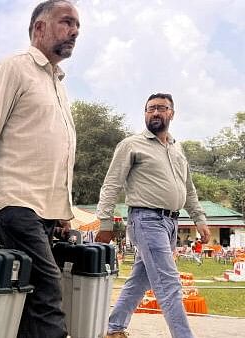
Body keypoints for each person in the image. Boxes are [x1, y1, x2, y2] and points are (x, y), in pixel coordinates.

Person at [0, 1, 80, 337]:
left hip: (44, 210)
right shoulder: (12, 69)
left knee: (29, 299)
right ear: (39, 28)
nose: (74, 31)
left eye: (77, 27)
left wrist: (61, 212)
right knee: (48, 291)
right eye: (66, 22)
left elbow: (53, 150)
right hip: (16, 202)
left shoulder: (58, 83)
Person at [95, 93, 211, 338]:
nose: (155, 112)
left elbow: (188, 189)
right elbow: (111, 184)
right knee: (169, 283)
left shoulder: (177, 148)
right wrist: (105, 221)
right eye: (150, 109)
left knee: (141, 278)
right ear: (145, 113)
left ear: (172, 113)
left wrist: (199, 219)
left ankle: (114, 328)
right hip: (146, 220)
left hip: (171, 222)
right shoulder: (131, 144)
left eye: (161, 108)